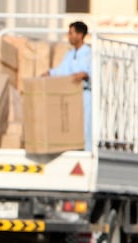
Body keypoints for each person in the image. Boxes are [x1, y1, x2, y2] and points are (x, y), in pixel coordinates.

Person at [45, 21, 92, 151]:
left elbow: (91, 73)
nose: (69, 36)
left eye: (71, 33)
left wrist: (84, 75)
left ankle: (86, 150)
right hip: (71, 96)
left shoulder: (89, 53)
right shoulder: (70, 54)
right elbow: (61, 70)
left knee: (85, 125)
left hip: (84, 95)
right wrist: (49, 73)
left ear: (80, 35)